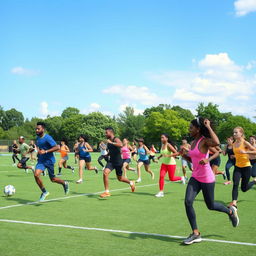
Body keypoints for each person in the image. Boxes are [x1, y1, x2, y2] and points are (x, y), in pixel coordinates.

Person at [180, 118, 239, 245]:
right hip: (195, 176)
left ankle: (230, 211)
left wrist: (208, 127)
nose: (189, 130)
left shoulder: (204, 141)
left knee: (210, 205)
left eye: (191, 127)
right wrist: (184, 155)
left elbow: (217, 144)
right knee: (188, 202)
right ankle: (196, 233)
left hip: (207, 177)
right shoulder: (193, 142)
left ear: (198, 129)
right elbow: (194, 160)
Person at [34, 122, 69, 201]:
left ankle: (64, 183)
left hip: (49, 161)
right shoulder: (38, 138)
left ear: (43, 129)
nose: (36, 130)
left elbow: (57, 147)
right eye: (36, 129)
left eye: (38, 129)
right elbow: (40, 148)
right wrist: (38, 153)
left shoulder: (48, 137)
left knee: (53, 179)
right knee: (36, 175)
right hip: (41, 161)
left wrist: (46, 151)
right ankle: (44, 192)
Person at [100, 127, 135, 198]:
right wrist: (107, 155)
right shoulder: (108, 140)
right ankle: (107, 192)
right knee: (105, 172)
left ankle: (131, 182)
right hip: (111, 161)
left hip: (118, 162)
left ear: (111, 132)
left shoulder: (116, 139)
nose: (105, 134)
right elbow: (111, 150)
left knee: (120, 179)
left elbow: (121, 145)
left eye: (106, 132)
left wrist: (111, 142)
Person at [230, 127, 256, 208]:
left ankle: (254, 181)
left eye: (236, 132)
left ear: (241, 133)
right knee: (235, 184)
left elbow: (255, 151)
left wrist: (246, 151)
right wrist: (234, 156)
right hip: (237, 167)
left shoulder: (245, 143)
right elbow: (238, 153)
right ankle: (234, 202)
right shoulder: (233, 144)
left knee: (244, 189)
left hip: (246, 167)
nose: (234, 134)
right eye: (233, 132)